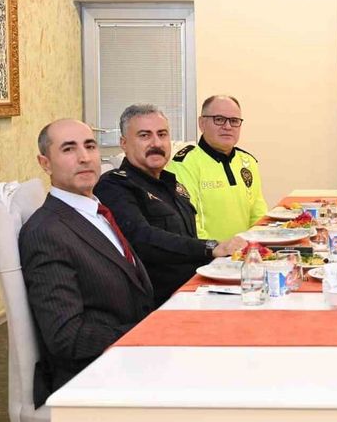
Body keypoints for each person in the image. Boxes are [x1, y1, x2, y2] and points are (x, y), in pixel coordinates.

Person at [19, 119, 153, 407]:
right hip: (92, 379)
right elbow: (67, 337)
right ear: (45, 163)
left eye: (90, 146)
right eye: (68, 149)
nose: (84, 157)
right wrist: (150, 332)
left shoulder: (96, 212)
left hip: (129, 360)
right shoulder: (47, 232)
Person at [94, 104, 246, 307]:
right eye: (144, 136)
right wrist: (210, 247)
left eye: (162, 134)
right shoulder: (114, 185)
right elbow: (142, 238)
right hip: (162, 304)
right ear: (124, 143)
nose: (156, 143)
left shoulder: (171, 183)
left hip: (198, 289)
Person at [167, 95, 268, 241]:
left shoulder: (247, 162)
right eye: (219, 119)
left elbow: (258, 216)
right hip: (207, 253)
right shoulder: (183, 165)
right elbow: (188, 226)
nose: (227, 126)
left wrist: (256, 248)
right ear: (202, 123)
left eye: (234, 121)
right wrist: (217, 250)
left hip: (246, 252)